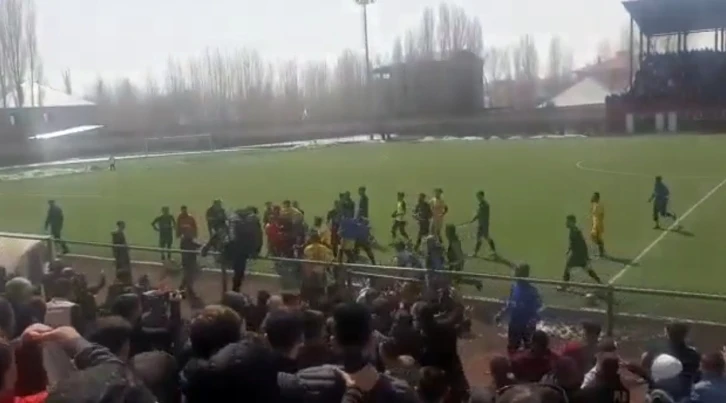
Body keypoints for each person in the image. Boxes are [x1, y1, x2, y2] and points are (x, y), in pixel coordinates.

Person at [495, 263, 542, 354]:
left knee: (529, 349)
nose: (515, 273)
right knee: (513, 348)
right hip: (515, 322)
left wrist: (533, 320)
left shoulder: (532, 291)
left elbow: (539, 307)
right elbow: (510, 303)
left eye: (517, 272)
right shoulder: (514, 287)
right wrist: (501, 314)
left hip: (527, 324)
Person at [559, 215, 602, 291]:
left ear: (572, 222)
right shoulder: (573, 230)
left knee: (568, 267)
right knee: (587, 269)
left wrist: (584, 255)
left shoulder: (575, 231)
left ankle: (565, 286)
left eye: (568, 221)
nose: (566, 223)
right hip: (579, 254)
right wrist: (569, 250)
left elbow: (582, 244)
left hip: (577, 255)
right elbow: (575, 243)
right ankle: (600, 283)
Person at [445, 224, 482, 291]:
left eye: (446, 231)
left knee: (455, 280)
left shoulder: (454, 242)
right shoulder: (452, 241)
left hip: (456, 265)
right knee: (457, 280)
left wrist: (452, 264)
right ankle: (476, 282)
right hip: (454, 264)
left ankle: (476, 282)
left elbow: (459, 256)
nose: (445, 233)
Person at [471, 191, 497, 257]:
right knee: (480, 238)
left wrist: (475, 218)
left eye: (479, 196)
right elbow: (479, 214)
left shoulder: (485, 205)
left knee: (486, 237)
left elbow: (480, 214)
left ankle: (493, 251)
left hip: (484, 225)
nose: (478, 198)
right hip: (481, 224)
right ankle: (475, 253)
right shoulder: (481, 204)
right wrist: (474, 219)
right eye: (477, 197)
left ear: (482, 196)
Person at [179, 229, 202, 301]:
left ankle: (184, 288)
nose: (191, 234)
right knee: (191, 275)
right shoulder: (185, 241)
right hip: (188, 261)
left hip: (190, 261)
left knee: (189, 275)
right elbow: (194, 246)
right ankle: (187, 289)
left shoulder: (188, 240)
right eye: (189, 233)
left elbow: (196, 245)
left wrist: (201, 245)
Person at [590, 192, 606, 258]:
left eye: (594, 196)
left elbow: (601, 215)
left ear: (597, 198)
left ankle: (601, 252)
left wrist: (598, 225)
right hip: (595, 224)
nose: (593, 197)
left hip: (598, 224)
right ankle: (601, 251)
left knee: (596, 237)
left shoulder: (599, 206)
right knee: (595, 237)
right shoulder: (594, 205)